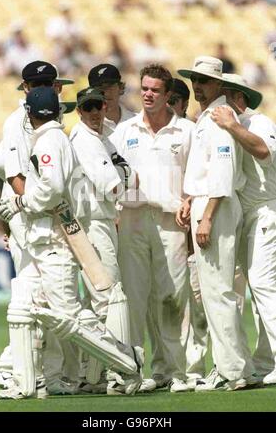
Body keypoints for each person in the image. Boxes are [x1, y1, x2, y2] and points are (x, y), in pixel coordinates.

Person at [0, 86, 144, 399]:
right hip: (43, 242)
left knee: (68, 317)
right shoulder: (56, 138)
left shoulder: (49, 141)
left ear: (30, 115)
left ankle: (127, 364)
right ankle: (28, 383)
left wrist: (19, 203)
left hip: (53, 242)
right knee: (22, 308)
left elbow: (52, 188)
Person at [0, 61, 78, 396]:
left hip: (37, 214)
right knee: (33, 295)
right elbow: (7, 167)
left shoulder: (47, 122)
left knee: (43, 296)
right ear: (25, 87)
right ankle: (13, 369)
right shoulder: (19, 120)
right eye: (39, 83)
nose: (47, 87)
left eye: (50, 82)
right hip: (29, 218)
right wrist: (25, 197)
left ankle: (41, 371)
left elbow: (3, 163)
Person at [109, 64, 194, 393]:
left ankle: (174, 371)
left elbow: (197, 175)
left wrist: (189, 200)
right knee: (134, 296)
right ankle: (132, 370)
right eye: (144, 88)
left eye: (155, 90)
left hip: (170, 221)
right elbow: (108, 175)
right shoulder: (124, 131)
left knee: (171, 296)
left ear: (167, 94)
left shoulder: (185, 131)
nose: (147, 94)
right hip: (131, 219)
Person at [176, 56, 257, 391]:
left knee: (217, 291)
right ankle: (240, 367)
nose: (198, 86)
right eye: (195, 79)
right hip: (209, 204)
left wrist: (206, 216)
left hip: (217, 207)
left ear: (219, 85)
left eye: (205, 80)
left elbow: (221, 175)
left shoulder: (219, 119)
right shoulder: (209, 117)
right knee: (216, 291)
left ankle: (231, 370)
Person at [70, 87, 143, 394]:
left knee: (99, 301)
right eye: (88, 108)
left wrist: (124, 175)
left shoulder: (102, 137)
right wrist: (124, 175)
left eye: (98, 106)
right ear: (79, 111)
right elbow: (116, 185)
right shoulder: (85, 140)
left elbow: (130, 177)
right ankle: (118, 372)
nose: (95, 112)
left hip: (99, 222)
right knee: (109, 297)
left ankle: (94, 374)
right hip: (93, 224)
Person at [210, 73, 276, 384]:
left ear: (238, 99)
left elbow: (263, 152)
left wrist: (232, 125)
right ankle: (263, 361)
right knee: (256, 286)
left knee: (263, 285)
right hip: (246, 215)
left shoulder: (258, 122)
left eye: (224, 96)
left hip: (266, 212)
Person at [168, 78, 209, 388]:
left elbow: (203, 177)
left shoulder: (193, 131)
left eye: (173, 101)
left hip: (193, 228)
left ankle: (195, 369)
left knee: (198, 307)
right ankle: (175, 370)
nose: (167, 107)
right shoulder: (150, 133)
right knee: (172, 305)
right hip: (166, 230)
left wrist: (191, 202)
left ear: (182, 103)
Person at [88, 63, 134, 137]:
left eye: (110, 86)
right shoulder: (84, 129)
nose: (105, 93)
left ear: (120, 87)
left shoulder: (137, 122)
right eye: (100, 88)